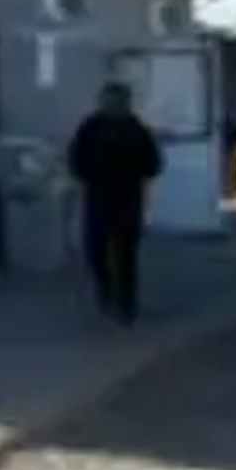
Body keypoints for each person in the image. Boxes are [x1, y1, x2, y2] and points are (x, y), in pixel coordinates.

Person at [65, 80, 164, 325]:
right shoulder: (90, 127)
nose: (113, 105)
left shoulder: (137, 129)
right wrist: (88, 174)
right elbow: (76, 158)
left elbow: (153, 164)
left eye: (118, 101)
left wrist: (134, 172)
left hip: (128, 199)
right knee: (95, 250)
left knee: (125, 253)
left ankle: (126, 304)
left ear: (126, 103)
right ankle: (106, 291)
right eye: (108, 100)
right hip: (98, 197)